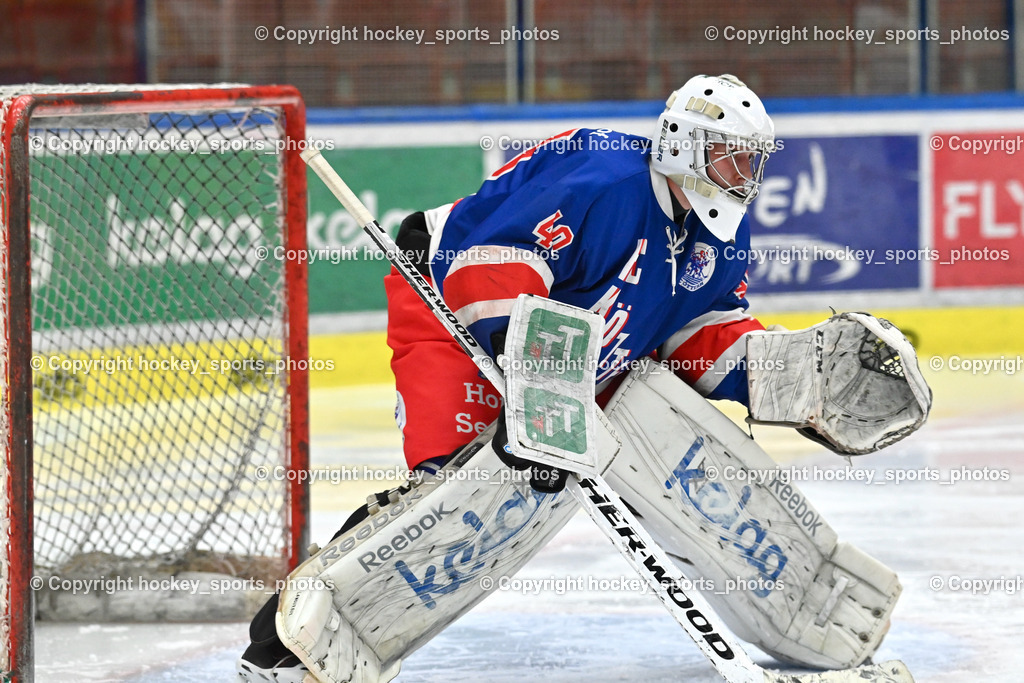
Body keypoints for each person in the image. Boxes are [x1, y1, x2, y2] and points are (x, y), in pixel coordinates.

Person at [238, 74, 791, 682]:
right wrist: (542, 400)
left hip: (568, 361)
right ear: (685, 144)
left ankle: (330, 633)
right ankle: (280, 647)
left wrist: (787, 378)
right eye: (730, 156)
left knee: (500, 507)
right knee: (449, 495)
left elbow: (699, 335)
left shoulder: (719, 233)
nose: (744, 174)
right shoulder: (604, 174)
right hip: (453, 316)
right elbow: (490, 270)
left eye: (751, 161)